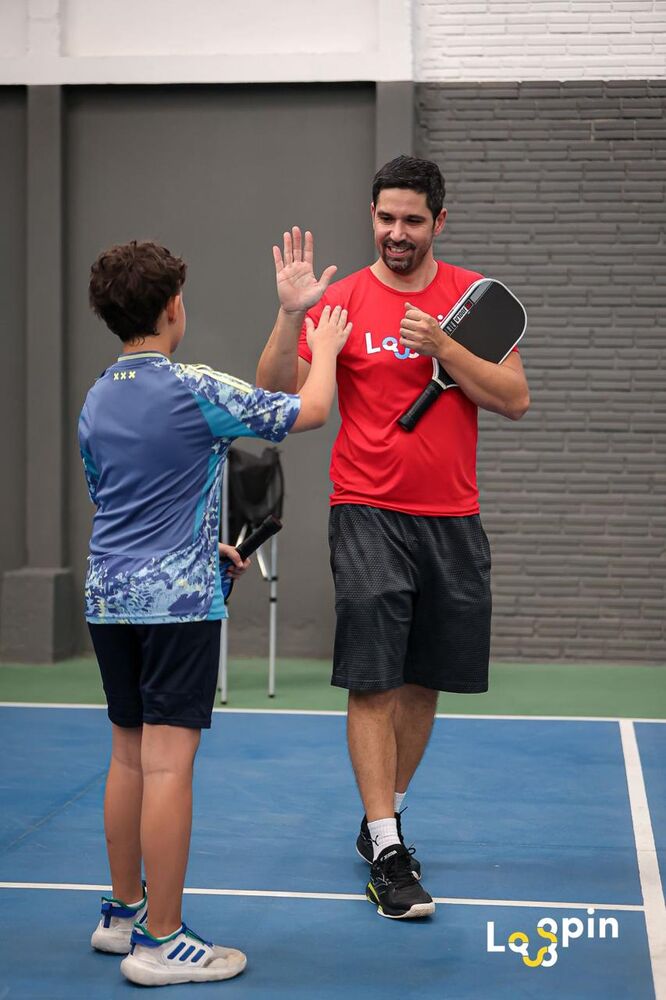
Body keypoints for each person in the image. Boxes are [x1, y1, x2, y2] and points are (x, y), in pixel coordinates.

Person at [256, 155, 530, 920]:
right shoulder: (339, 301)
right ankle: (388, 846)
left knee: (423, 682)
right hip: (367, 509)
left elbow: (514, 398)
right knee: (375, 677)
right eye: (386, 218)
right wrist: (289, 314)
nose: (396, 233)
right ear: (371, 215)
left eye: (412, 220)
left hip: (452, 517)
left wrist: (445, 348)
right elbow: (275, 389)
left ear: (439, 222)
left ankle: (385, 820)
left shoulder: (470, 301)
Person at [80, 239, 351, 986]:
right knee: (168, 766)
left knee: (127, 754)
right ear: (173, 308)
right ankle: (162, 941)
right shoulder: (193, 386)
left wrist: (207, 549)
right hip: (175, 609)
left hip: (109, 597)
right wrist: (319, 341)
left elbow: (121, 500)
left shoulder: (97, 396)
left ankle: (121, 916)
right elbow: (312, 410)